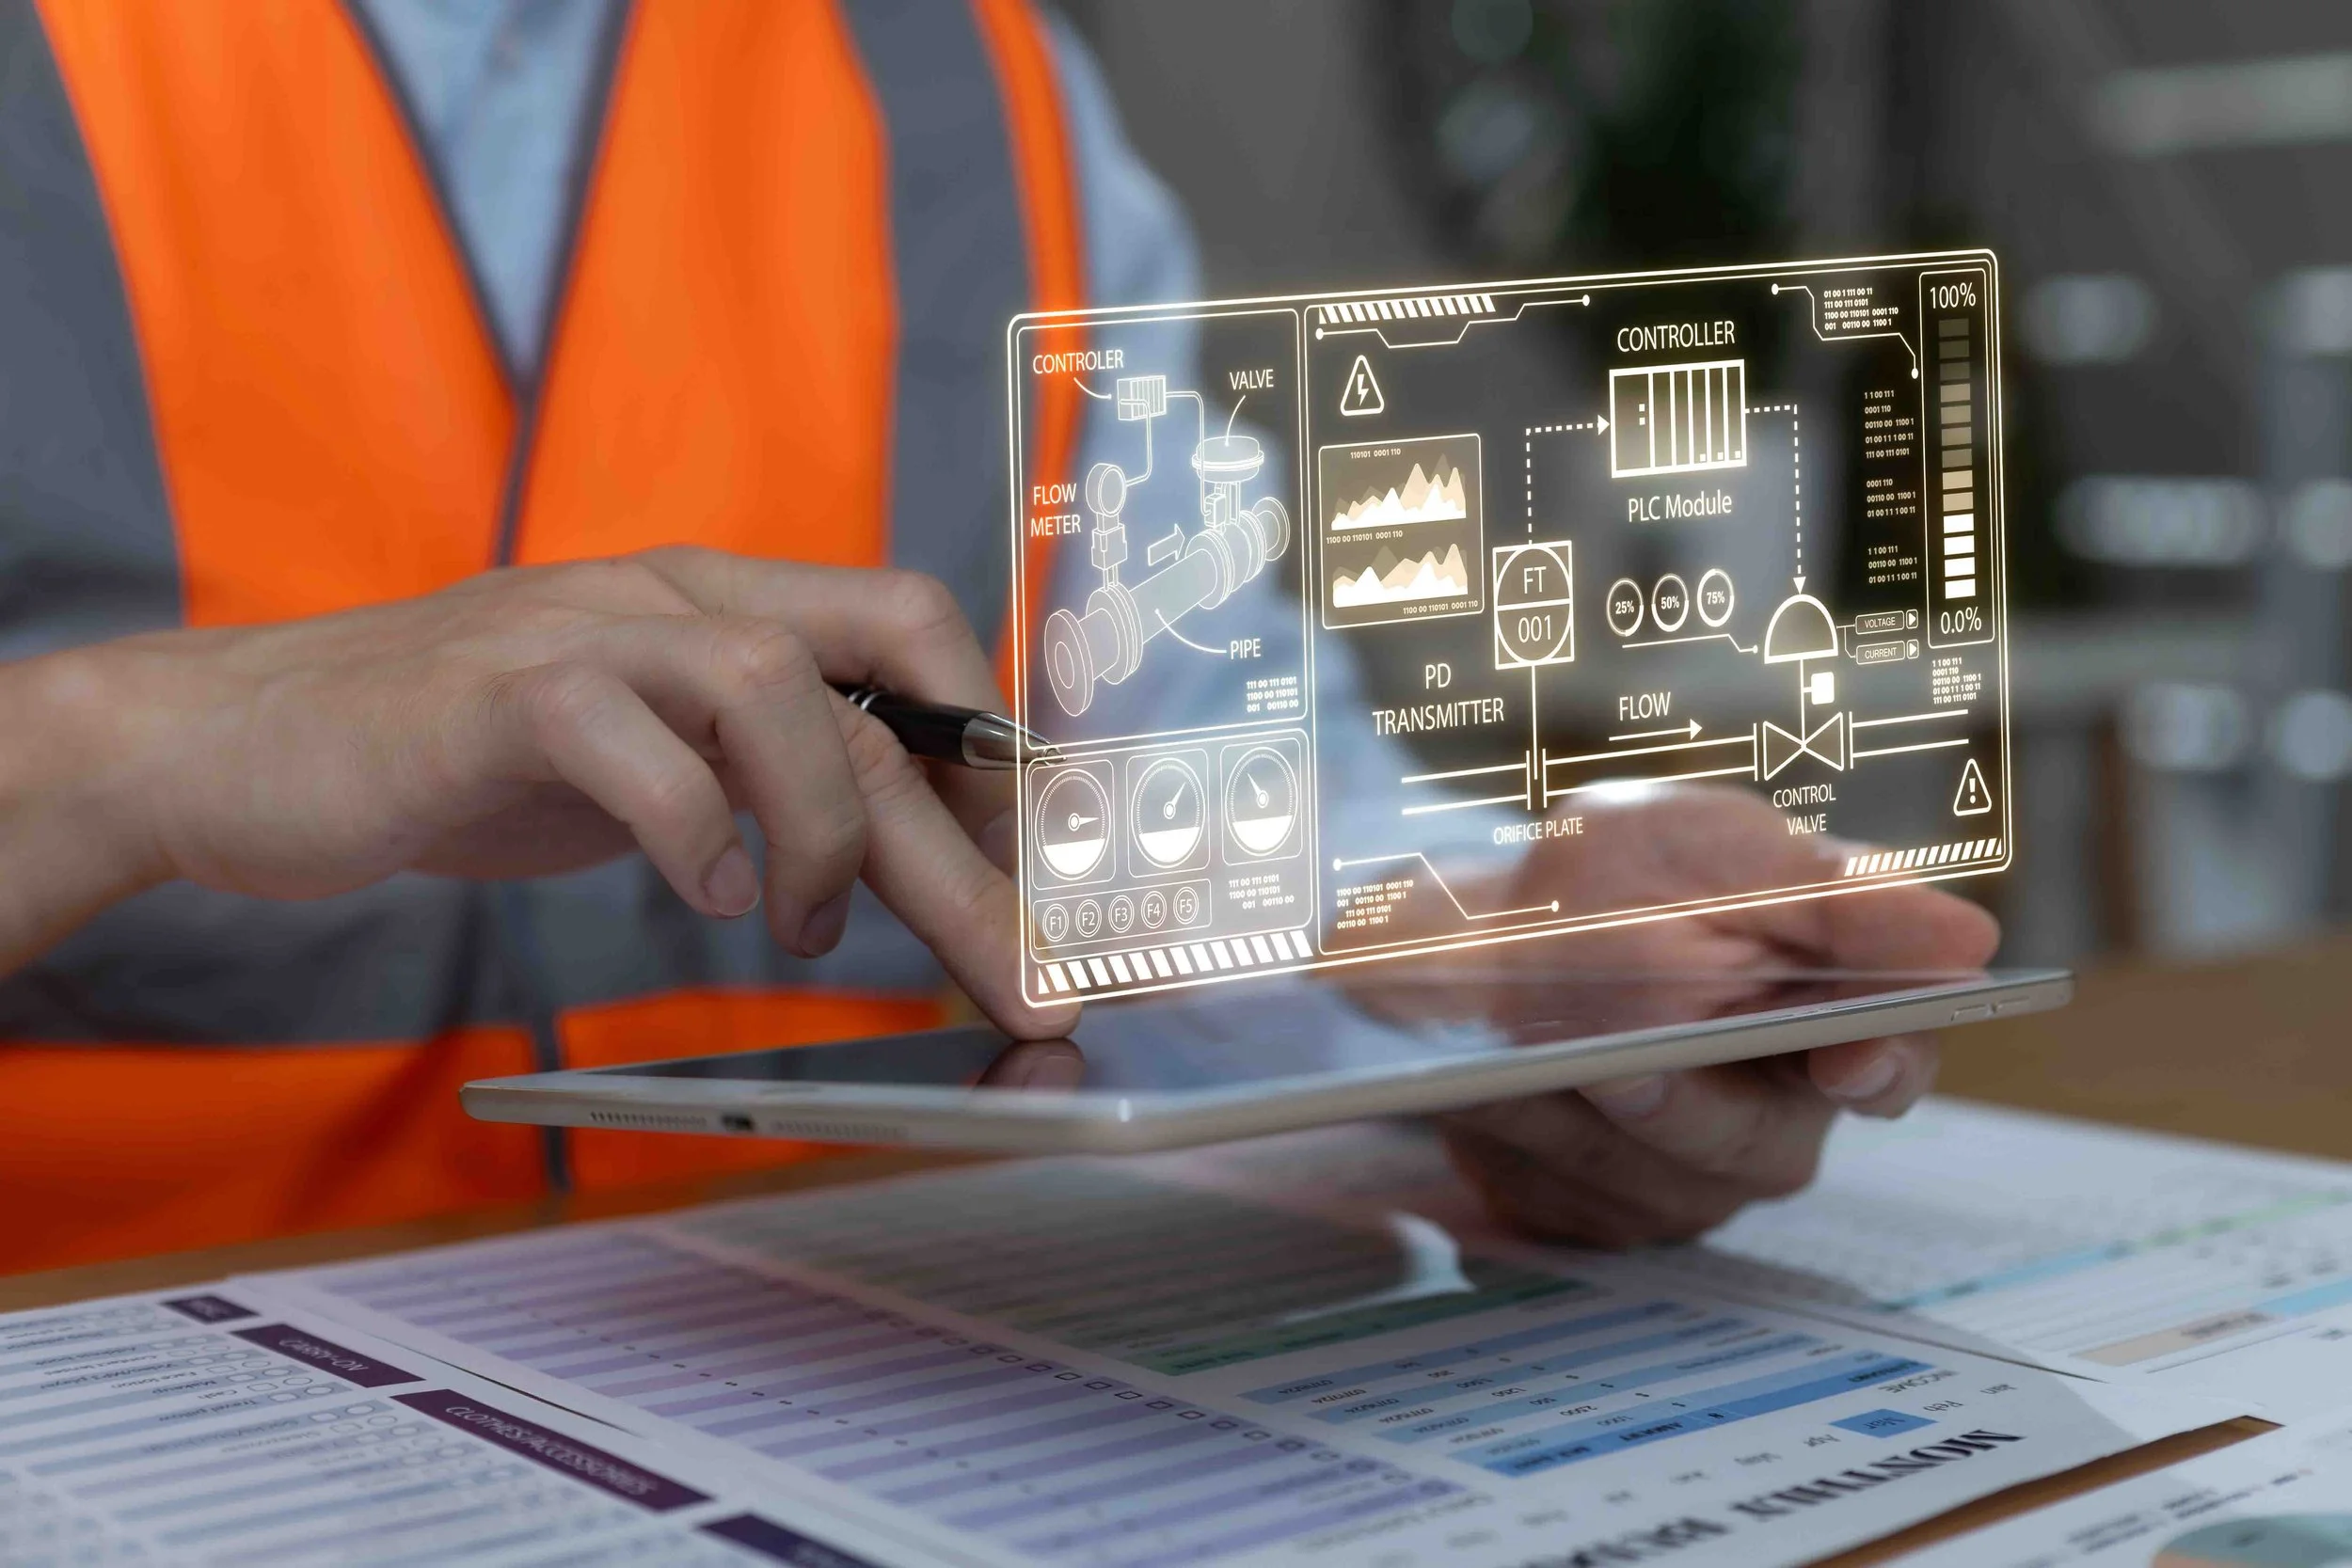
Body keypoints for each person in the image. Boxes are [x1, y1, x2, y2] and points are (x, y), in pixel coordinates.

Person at [0, 0, 1992, 1274]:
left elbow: (1198, 792)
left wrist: (1481, 973)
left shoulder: (977, 82)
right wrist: (102, 753)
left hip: (881, 1404)